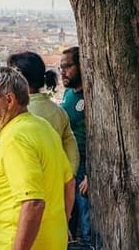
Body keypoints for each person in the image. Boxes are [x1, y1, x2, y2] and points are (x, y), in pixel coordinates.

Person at [0, 67, 74, 250]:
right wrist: (62, 224)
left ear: (9, 99)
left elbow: (33, 203)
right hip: (54, 241)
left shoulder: (15, 138)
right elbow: (68, 183)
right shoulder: (43, 127)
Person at [8, 51, 79, 174]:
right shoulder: (59, 112)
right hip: (55, 178)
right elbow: (72, 150)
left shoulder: (17, 113)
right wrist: (69, 177)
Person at [60, 45, 91, 243]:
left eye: (67, 66)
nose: (62, 72)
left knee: (88, 226)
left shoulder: (91, 96)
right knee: (66, 226)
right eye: (60, 67)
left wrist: (91, 174)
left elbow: (96, 138)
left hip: (85, 172)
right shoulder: (69, 94)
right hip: (69, 169)